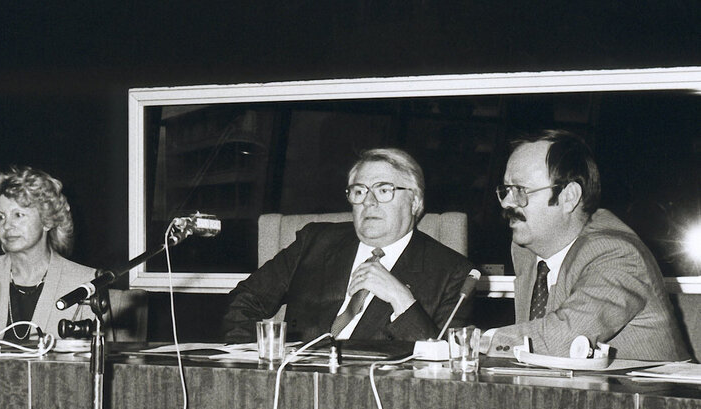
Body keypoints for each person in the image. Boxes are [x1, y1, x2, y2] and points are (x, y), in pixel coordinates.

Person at [223, 148, 474, 343]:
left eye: (384, 190)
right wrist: (263, 357)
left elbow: (445, 364)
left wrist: (401, 299)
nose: (369, 202)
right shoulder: (314, 242)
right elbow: (243, 303)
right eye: (359, 191)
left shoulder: (454, 273)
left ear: (415, 202)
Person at [489, 129, 689, 360]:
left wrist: (473, 342)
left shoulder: (617, 254)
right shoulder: (526, 251)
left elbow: (563, 338)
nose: (506, 203)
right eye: (505, 190)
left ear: (569, 197)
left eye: (521, 190)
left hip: (653, 394)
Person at [0, 166, 96, 341]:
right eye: (0, 217)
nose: (7, 226)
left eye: (18, 215)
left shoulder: (85, 281)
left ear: (47, 221)